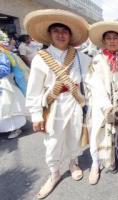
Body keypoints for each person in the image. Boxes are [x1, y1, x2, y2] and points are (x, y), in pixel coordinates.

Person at [24, 9, 91, 199]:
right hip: (54, 106)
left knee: (74, 136)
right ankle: (54, 173)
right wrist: (36, 115)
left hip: (75, 103)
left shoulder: (81, 57)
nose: (61, 35)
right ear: (50, 35)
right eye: (56, 31)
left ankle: (73, 162)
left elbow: (92, 76)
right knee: (52, 142)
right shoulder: (41, 58)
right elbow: (34, 89)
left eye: (65, 31)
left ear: (70, 35)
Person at [87, 21, 118, 185]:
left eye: (115, 38)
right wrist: (107, 105)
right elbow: (95, 84)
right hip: (101, 104)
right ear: (104, 41)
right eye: (108, 38)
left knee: (113, 130)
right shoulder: (97, 59)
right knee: (98, 132)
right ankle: (95, 163)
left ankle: (110, 158)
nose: (112, 41)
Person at [0, 36, 28, 139]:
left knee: (8, 105)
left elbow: (4, 69)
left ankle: (15, 128)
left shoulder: (2, 54)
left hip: (4, 83)